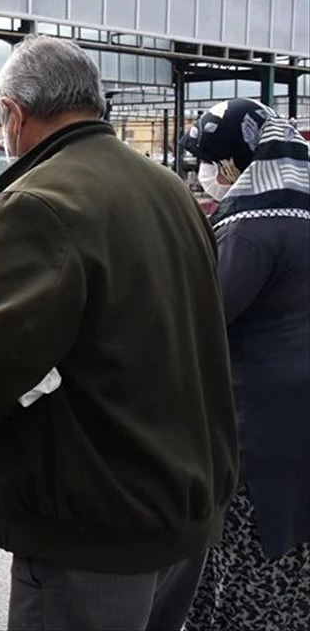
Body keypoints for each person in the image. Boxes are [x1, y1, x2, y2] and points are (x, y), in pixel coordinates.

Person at [0, 35, 238, 631]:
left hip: (96, 525)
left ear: (14, 115)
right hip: (183, 503)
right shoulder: (169, 188)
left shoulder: (38, 202)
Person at [180, 99, 310, 631]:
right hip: (297, 416)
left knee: (248, 570)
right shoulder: (301, 210)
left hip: (259, 426)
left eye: (211, 162)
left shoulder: (253, 228)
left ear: (237, 159)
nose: (206, 177)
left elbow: (201, 320)